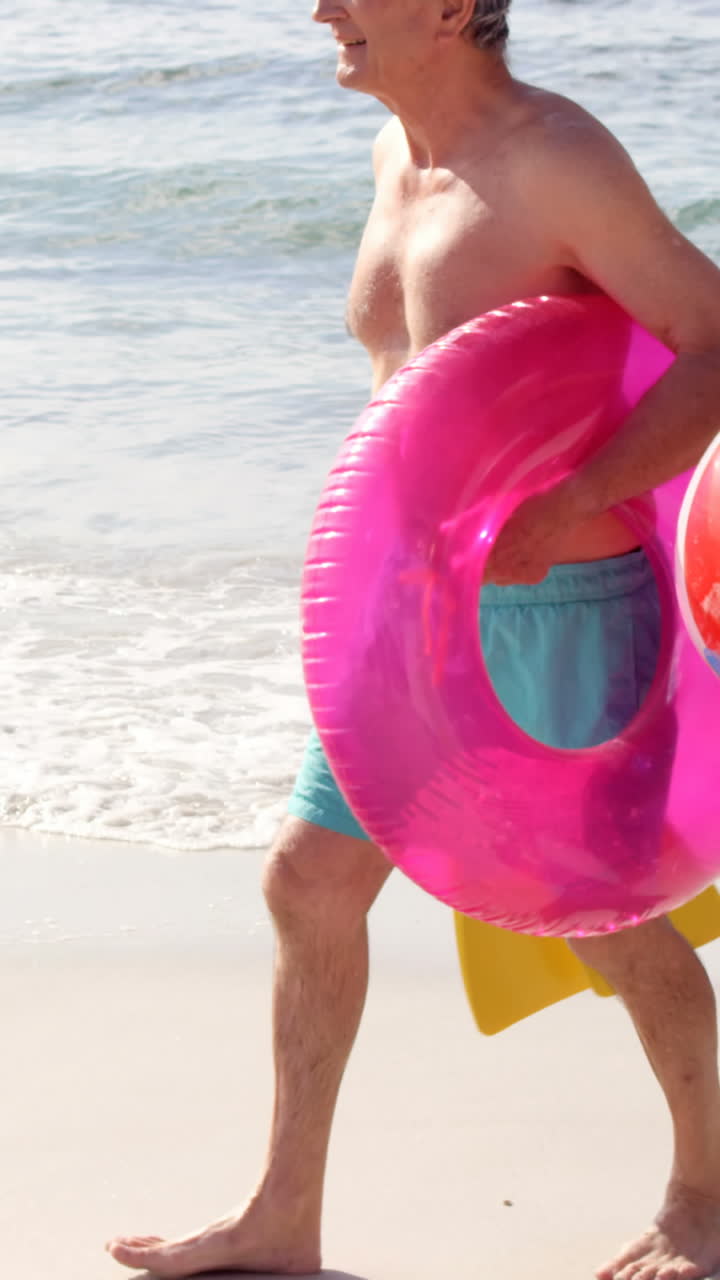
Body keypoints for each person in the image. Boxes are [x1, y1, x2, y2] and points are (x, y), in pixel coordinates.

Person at [106, 1, 720, 1277]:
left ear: (449, 7)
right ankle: (284, 1219)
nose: (323, 8)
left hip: (548, 603)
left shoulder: (555, 161)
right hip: (408, 614)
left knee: (597, 910)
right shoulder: (398, 156)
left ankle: (706, 1197)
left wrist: (574, 501)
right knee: (306, 878)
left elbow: (715, 340)